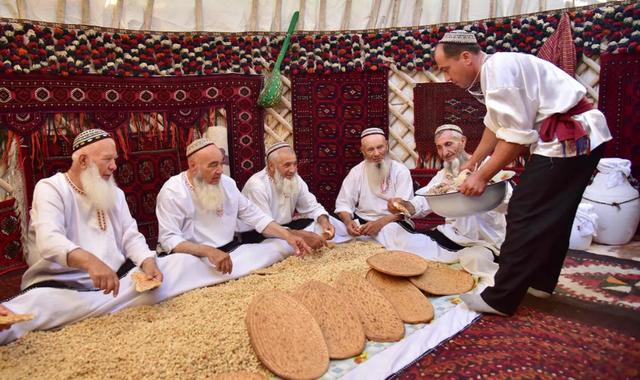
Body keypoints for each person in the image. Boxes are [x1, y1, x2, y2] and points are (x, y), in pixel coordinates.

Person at [433, 30, 611, 315]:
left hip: (571, 135)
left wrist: (481, 176)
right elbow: (496, 124)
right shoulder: (494, 71)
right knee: (556, 214)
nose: (446, 78)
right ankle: (541, 281)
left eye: (446, 69)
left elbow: (515, 138)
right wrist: (474, 162)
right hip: (581, 136)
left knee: (524, 209)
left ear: (465, 58)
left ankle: (500, 298)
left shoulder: (499, 74)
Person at [0, 129, 170, 344]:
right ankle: (96, 307)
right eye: (107, 159)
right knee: (31, 310)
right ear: (83, 160)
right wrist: (90, 262)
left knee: (173, 265)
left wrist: (147, 262)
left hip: (116, 284)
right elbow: (49, 240)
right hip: (65, 288)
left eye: (114, 160)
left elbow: (130, 235)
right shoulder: (51, 188)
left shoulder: (114, 193)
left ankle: (100, 306)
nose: (114, 166)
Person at [156, 138, 312, 277]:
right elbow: (168, 238)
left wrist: (288, 236)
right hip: (192, 257)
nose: (220, 171)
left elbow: (255, 216)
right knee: (175, 271)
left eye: (221, 163)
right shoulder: (172, 192)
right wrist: (208, 251)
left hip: (229, 252)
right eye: (213, 165)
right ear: (193, 166)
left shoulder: (228, 184)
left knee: (278, 248)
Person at [388, 124, 511, 255]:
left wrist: (482, 192)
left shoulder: (488, 167)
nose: (444, 153)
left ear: (462, 141)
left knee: (476, 259)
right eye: (439, 147)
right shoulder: (443, 176)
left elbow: (509, 205)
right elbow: (420, 204)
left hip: (487, 241)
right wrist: (403, 205)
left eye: (448, 144)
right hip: (453, 236)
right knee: (409, 245)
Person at [239, 142, 348, 248]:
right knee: (280, 247)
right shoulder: (257, 186)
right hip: (261, 233)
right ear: (272, 166)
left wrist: (324, 222)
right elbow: (265, 228)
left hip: (287, 227)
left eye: (295, 164)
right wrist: (302, 236)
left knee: (326, 224)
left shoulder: (295, 178)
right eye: (287, 165)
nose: (293, 170)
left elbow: (312, 207)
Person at [334, 128, 415, 248]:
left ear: (387, 146)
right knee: (332, 225)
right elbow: (343, 204)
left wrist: (379, 224)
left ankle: (368, 242)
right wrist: (348, 222)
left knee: (396, 234)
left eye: (380, 147)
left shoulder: (401, 171)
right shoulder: (356, 172)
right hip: (362, 223)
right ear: (363, 151)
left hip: (391, 222)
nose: (376, 153)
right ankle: (371, 241)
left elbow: (404, 210)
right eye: (371, 149)